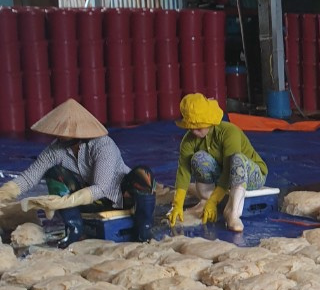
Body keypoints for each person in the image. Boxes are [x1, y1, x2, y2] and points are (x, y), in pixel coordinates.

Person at [0, 98, 155, 245]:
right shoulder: (56, 149)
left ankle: (144, 232)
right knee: (55, 173)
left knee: (143, 174)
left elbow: (102, 187)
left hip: (120, 197)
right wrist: (5, 192)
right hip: (90, 202)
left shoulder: (103, 146)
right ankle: (74, 229)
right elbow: (30, 176)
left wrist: (65, 201)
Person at [168, 93, 267, 234]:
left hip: (249, 174)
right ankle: (205, 199)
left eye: (199, 127)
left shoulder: (228, 132)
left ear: (209, 122)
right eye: (190, 127)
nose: (194, 132)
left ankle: (233, 213)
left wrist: (214, 201)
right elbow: (183, 170)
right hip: (223, 173)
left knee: (236, 159)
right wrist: (177, 204)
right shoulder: (188, 140)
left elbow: (229, 168)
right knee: (198, 158)